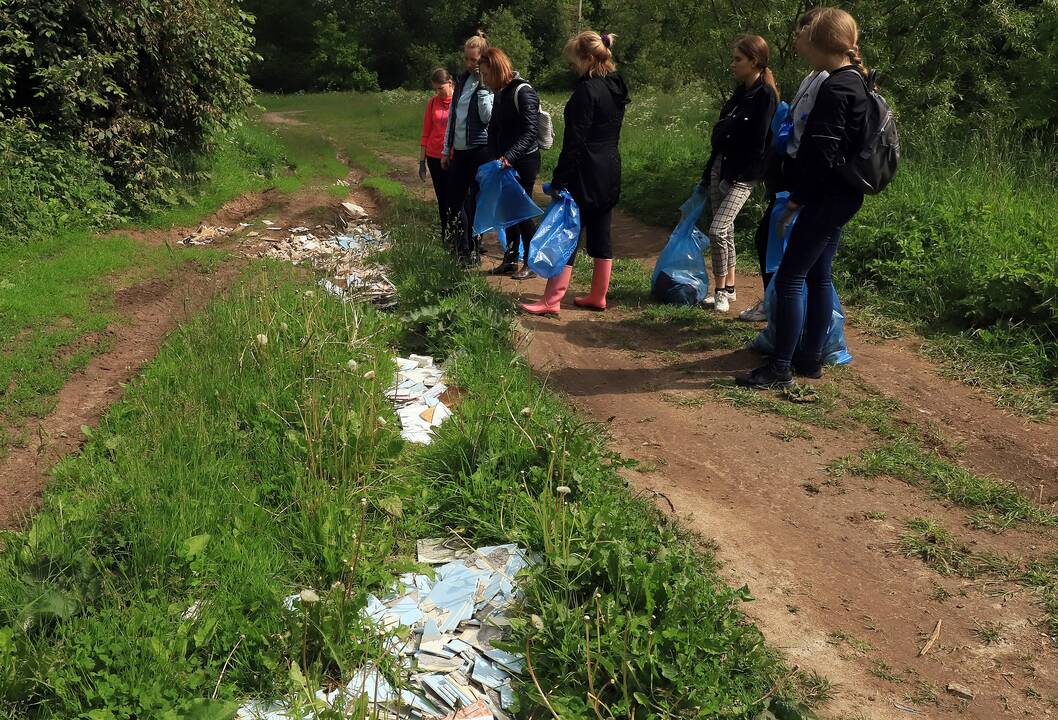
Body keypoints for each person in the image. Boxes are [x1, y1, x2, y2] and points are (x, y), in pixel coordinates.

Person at [737, 7, 870, 388]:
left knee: (793, 276)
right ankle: (810, 360)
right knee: (818, 275)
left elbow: (820, 154)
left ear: (819, 41)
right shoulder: (855, 80)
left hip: (824, 198)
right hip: (842, 196)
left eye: (807, 33)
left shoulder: (836, 86)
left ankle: (780, 368)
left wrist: (796, 201)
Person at [520, 31, 629, 316]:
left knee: (566, 232)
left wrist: (560, 179)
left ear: (587, 58)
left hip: (585, 170)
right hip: (610, 167)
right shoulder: (616, 86)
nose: (572, 67)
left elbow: (575, 142)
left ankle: (551, 300)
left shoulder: (586, 91)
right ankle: (597, 296)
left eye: (574, 61)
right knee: (601, 231)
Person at [740, 9, 829, 322]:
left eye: (801, 31)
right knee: (768, 241)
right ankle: (775, 305)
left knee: (786, 252)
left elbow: (819, 139)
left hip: (801, 180)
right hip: (786, 174)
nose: (797, 38)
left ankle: (786, 316)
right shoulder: (812, 75)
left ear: (816, 35)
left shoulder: (828, 79)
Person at [697, 35, 778, 314]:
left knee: (717, 230)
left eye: (738, 59)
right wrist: (710, 172)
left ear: (755, 61)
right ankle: (729, 288)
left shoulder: (765, 95)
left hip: (742, 175)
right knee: (726, 230)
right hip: (721, 166)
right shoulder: (738, 93)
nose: (733, 64)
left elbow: (758, 143)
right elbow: (721, 133)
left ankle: (718, 291)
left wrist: (740, 175)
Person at [478, 47, 542, 279]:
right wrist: (495, 157)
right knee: (507, 212)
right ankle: (510, 260)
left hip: (523, 161)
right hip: (503, 162)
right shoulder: (500, 92)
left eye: (486, 74)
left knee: (522, 212)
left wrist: (510, 157)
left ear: (496, 69)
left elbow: (530, 131)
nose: (484, 80)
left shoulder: (523, 92)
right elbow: (494, 129)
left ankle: (532, 262)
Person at [441, 33, 494, 266]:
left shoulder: (490, 81)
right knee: (455, 199)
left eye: (475, 60)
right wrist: (446, 148)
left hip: (479, 148)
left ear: (484, 59)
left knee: (474, 200)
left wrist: (483, 86)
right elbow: (453, 116)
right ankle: (463, 244)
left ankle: (472, 247)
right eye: (467, 59)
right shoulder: (462, 81)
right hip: (460, 150)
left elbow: (487, 116)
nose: (471, 64)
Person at [419, 68, 454, 236]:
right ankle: (446, 234)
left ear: (450, 83)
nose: (438, 92)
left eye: (441, 88)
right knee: (442, 197)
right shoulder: (432, 102)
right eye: (435, 89)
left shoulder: (459, 100)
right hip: (434, 155)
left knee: (458, 197)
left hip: (455, 156)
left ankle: (464, 236)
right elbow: (426, 132)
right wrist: (421, 162)